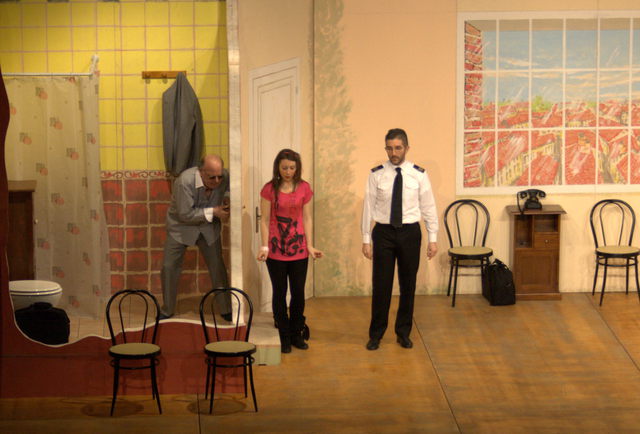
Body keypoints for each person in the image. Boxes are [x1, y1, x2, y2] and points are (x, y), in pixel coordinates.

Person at [361, 128, 438, 350]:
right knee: (381, 286)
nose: (393, 153)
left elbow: (428, 206)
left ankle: (403, 332)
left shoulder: (419, 174)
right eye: (389, 148)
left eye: (397, 148)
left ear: (406, 148)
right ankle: (376, 334)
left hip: (410, 233)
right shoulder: (376, 174)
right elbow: (368, 207)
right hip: (383, 233)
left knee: (408, 284)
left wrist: (433, 238)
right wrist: (366, 238)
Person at [257, 149, 323, 353]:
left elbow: (307, 218)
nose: (288, 172)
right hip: (276, 251)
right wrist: (265, 246)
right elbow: (264, 220)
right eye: (284, 167)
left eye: (292, 168)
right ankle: (283, 335)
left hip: (299, 250)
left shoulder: (304, 188)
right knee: (279, 292)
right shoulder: (269, 189)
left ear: (297, 168)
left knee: (298, 293)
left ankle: (296, 333)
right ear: (278, 167)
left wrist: (310, 245)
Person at [160, 154, 231, 319]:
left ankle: (226, 308)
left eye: (219, 176)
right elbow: (185, 214)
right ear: (201, 171)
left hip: (208, 227)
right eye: (212, 177)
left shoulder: (224, 176)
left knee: (217, 267)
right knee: (169, 267)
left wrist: (227, 198)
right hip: (180, 227)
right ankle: (167, 309)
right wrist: (214, 211)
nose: (217, 180)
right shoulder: (184, 182)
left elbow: (227, 187)